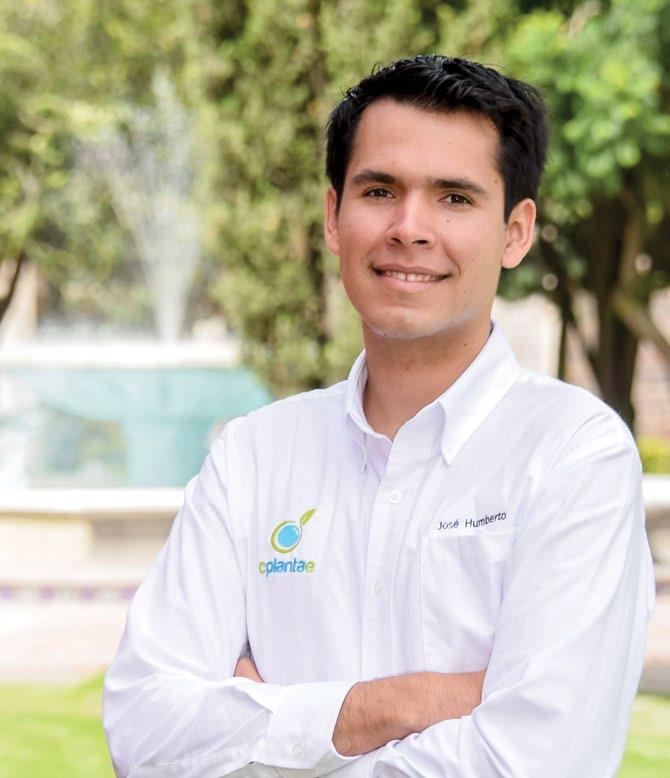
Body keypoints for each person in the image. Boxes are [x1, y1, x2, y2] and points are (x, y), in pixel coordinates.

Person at [103, 55, 655, 777]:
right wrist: (398, 704)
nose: (409, 227)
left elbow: (535, 760)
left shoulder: (573, 453)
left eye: (454, 198)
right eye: (380, 191)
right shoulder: (254, 456)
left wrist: (271, 723)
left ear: (516, 233)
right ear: (334, 217)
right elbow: (144, 733)